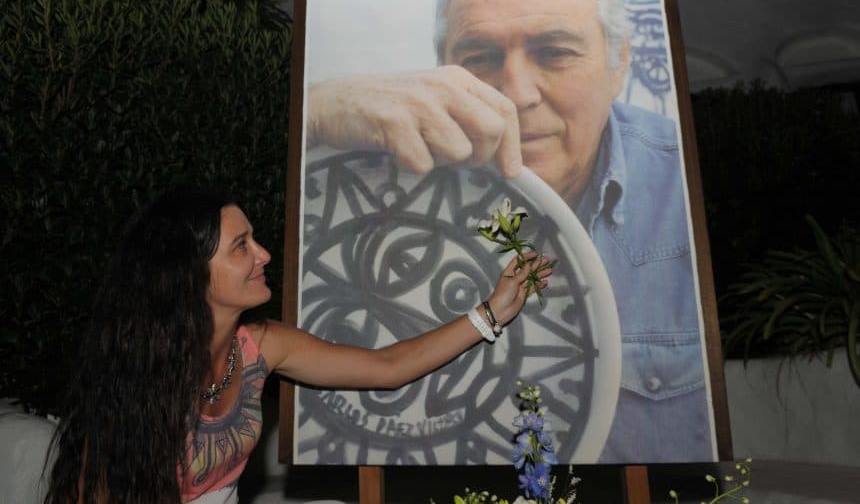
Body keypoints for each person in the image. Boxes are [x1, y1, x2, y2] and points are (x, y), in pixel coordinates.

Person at [306, 0, 713, 462]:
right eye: (479, 57)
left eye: (555, 52)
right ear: (442, 69)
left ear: (619, 62)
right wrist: (314, 110)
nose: (517, 94)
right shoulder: (384, 180)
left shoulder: (684, 187)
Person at [44, 186, 550, 503]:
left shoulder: (261, 345)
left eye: (254, 239)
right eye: (241, 246)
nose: (264, 254)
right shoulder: (135, 387)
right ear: (189, 273)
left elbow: (387, 367)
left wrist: (491, 312)